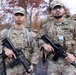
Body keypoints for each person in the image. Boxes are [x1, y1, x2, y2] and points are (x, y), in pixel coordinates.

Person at [36, 1, 76, 75]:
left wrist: (74, 55)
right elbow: (38, 39)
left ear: (63, 10)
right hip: (52, 64)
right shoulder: (47, 26)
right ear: (52, 11)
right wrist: (44, 44)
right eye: (55, 8)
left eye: (59, 8)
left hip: (69, 62)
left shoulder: (73, 24)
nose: (57, 10)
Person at [0, 6, 40, 75]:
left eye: (21, 15)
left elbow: (36, 50)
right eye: (17, 15)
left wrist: (32, 65)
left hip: (25, 69)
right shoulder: (5, 33)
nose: (19, 17)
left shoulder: (31, 34)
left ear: (24, 17)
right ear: (13, 17)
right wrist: (5, 49)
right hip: (8, 70)